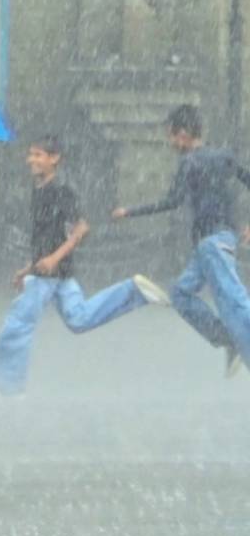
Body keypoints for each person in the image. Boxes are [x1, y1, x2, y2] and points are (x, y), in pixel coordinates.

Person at [0, 135, 168, 397]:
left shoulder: (62, 189)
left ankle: (9, 388)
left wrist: (53, 259)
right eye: (31, 154)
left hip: (51, 273)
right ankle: (134, 291)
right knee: (79, 318)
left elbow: (80, 227)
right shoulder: (39, 189)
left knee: (17, 325)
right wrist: (28, 267)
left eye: (38, 154)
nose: (32, 160)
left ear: (54, 158)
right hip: (53, 272)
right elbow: (44, 238)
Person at [113, 105, 250, 376]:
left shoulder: (189, 162)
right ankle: (227, 339)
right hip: (210, 244)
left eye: (172, 137)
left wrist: (130, 211)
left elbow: (172, 202)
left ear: (184, 134)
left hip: (213, 243)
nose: (171, 143)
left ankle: (233, 340)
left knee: (236, 302)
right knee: (180, 294)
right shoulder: (224, 156)